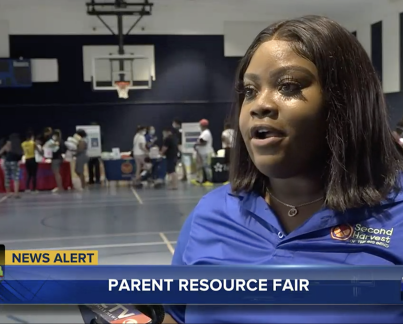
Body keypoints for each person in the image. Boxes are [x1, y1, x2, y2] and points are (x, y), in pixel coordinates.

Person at [164, 15, 403, 324]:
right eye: (249, 90)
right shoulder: (210, 213)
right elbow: (176, 316)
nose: (259, 105)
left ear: (346, 101)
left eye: (288, 86)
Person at [0, 133, 23, 198]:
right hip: (14, 162)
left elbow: (0, 152)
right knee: (16, 178)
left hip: (7, 161)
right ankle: (16, 194)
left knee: (7, 177)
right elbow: (21, 153)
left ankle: (8, 193)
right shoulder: (18, 144)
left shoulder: (8, 143)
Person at [191, 119, 213, 186]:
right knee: (203, 167)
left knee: (207, 166)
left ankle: (209, 180)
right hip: (202, 153)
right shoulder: (204, 133)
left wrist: (196, 145)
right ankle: (203, 180)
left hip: (206, 152)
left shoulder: (206, 133)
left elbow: (204, 142)